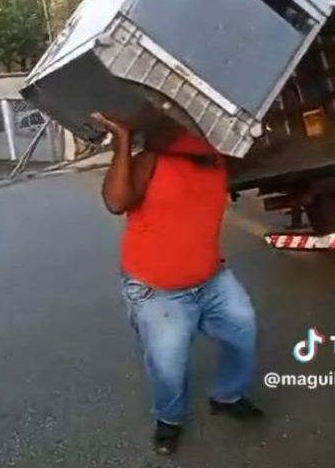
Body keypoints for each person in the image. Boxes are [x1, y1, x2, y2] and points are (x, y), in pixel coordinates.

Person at [91, 112, 262, 455]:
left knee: (242, 328)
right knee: (169, 365)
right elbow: (116, 201)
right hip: (158, 290)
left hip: (211, 278)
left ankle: (228, 396)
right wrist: (123, 140)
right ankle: (168, 420)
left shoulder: (217, 157)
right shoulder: (153, 158)